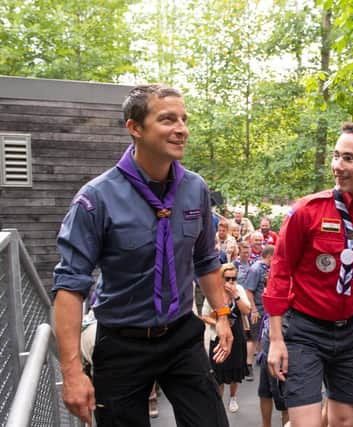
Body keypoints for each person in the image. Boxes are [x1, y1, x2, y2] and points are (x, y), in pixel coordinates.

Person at [52, 84, 233, 426]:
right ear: (135, 128)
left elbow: (206, 260)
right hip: (122, 341)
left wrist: (222, 314)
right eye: (168, 119)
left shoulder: (195, 189)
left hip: (181, 335)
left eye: (183, 119)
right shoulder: (96, 199)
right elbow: (69, 286)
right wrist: (72, 371)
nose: (182, 129)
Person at [263, 122, 353, 427]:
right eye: (336, 156)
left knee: (344, 421)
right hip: (305, 329)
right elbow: (279, 274)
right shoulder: (307, 211)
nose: (337, 166)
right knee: (307, 424)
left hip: (352, 332)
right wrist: (277, 339)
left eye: (348, 158)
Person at [202, 263, 251, 413]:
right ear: (221, 278)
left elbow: (246, 310)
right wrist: (219, 323)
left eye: (233, 278)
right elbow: (204, 315)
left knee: (235, 371)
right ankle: (219, 402)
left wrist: (235, 295)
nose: (230, 281)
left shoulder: (239, 290)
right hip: (219, 337)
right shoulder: (214, 292)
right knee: (218, 372)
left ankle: (233, 397)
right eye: (227, 278)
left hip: (236, 336)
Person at [244, 245, 275, 382]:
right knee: (253, 338)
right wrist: (254, 309)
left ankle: (263, 362)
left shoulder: (269, 269)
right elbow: (248, 291)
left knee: (265, 337)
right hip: (258, 309)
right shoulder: (256, 269)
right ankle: (248, 365)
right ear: (269, 256)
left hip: (268, 310)